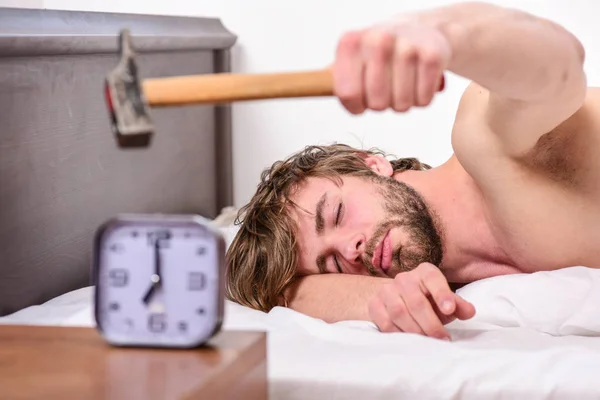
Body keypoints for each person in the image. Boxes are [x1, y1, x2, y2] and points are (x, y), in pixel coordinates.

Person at [225, 1, 596, 341]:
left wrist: (436, 32)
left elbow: (557, 64)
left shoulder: (485, 138)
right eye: (334, 263)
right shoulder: (444, 282)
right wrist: (374, 296)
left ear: (373, 164)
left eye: (337, 214)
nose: (351, 250)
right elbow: (284, 295)